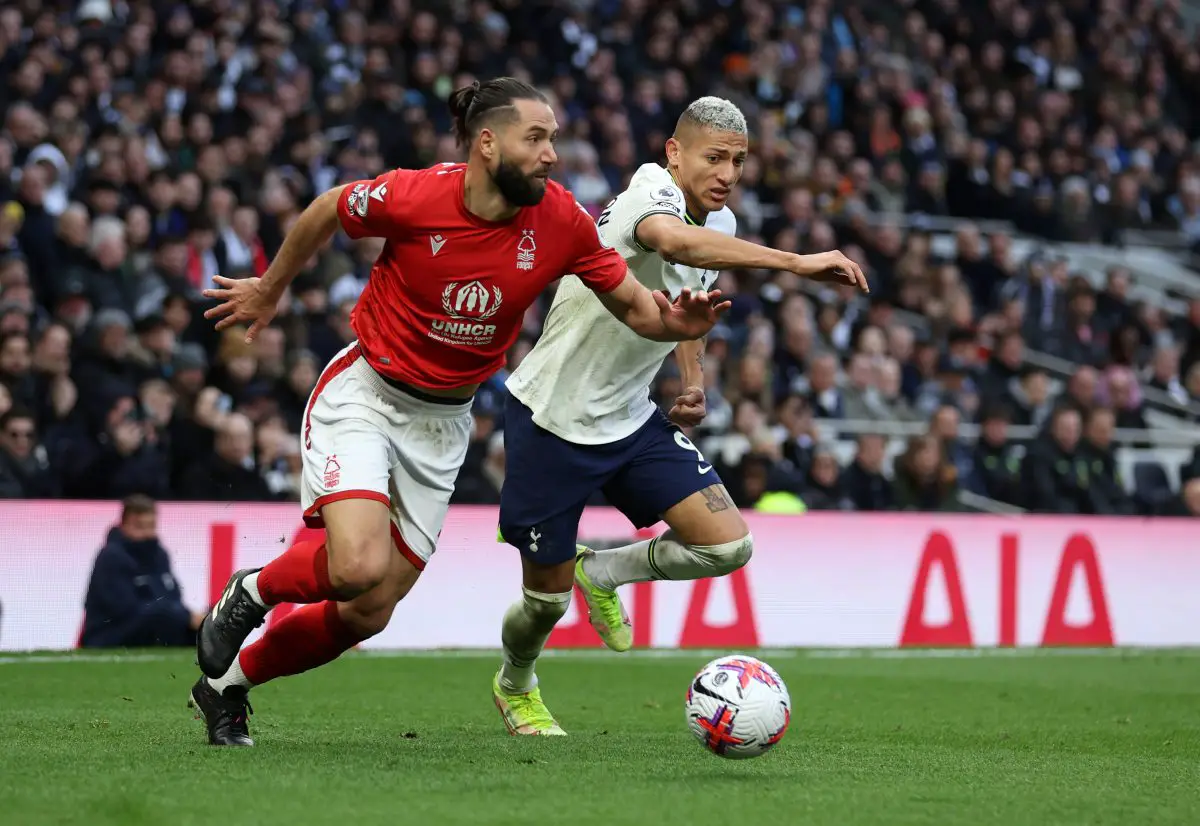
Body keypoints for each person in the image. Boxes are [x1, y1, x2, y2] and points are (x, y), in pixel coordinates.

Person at [187, 77, 728, 747]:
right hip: (368, 395)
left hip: (444, 424)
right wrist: (270, 290)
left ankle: (226, 687)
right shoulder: (417, 195)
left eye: (553, 140)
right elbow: (330, 207)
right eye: (536, 139)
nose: (551, 154)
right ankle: (254, 591)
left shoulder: (560, 220)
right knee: (355, 565)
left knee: (368, 611)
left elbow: (637, 309)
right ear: (486, 143)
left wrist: (676, 324)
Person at [492, 97, 867, 735]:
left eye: (739, 162)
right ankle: (516, 682)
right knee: (543, 603)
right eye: (714, 157)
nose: (727, 173)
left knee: (727, 546)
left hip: (632, 420)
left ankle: (601, 569)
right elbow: (674, 242)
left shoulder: (710, 220)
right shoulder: (649, 194)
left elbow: (686, 293)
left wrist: (692, 379)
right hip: (552, 418)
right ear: (674, 153)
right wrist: (797, 263)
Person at [80, 495, 205, 648]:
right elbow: (124, 609)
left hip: (152, 629)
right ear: (124, 525)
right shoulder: (112, 557)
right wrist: (182, 616)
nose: (147, 533)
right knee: (164, 615)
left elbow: (172, 597)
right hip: (110, 635)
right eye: (139, 527)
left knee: (206, 628)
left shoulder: (159, 555)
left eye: (151, 526)